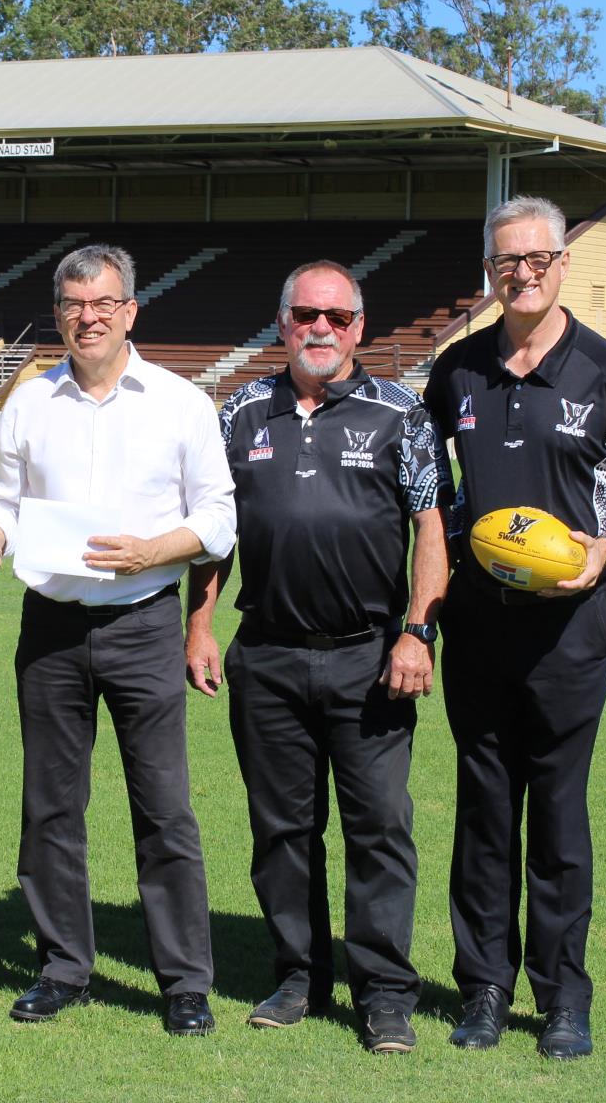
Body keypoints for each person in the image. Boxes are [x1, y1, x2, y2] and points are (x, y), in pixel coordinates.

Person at [422, 196, 606, 1060]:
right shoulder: (455, 372)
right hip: (477, 623)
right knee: (484, 808)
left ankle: (564, 997)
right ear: (490, 270)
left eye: (537, 259)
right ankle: (485, 989)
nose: (522, 273)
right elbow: (426, 499)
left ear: (563, 264)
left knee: (559, 811)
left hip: (572, 624)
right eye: (507, 261)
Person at [0, 243, 237, 1036]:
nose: (88, 318)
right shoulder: (29, 402)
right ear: (58, 314)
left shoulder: (181, 403)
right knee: (51, 806)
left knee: (164, 809)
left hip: (144, 622)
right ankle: (62, 967)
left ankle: (185, 982)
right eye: (73, 305)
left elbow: (220, 517)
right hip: (51, 626)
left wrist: (158, 550)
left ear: (130, 312)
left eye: (103, 304)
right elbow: (0, 497)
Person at [186, 260, 449, 1055]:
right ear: (282, 321)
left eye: (336, 316)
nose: (320, 328)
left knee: (378, 829)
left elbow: (432, 530)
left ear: (360, 328)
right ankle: (298, 975)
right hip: (265, 653)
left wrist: (418, 631)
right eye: (305, 314)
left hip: (369, 658)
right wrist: (199, 627)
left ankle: (385, 994)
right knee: (282, 830)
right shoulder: (239, 411)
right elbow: (212, 532)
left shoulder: (400, 412)